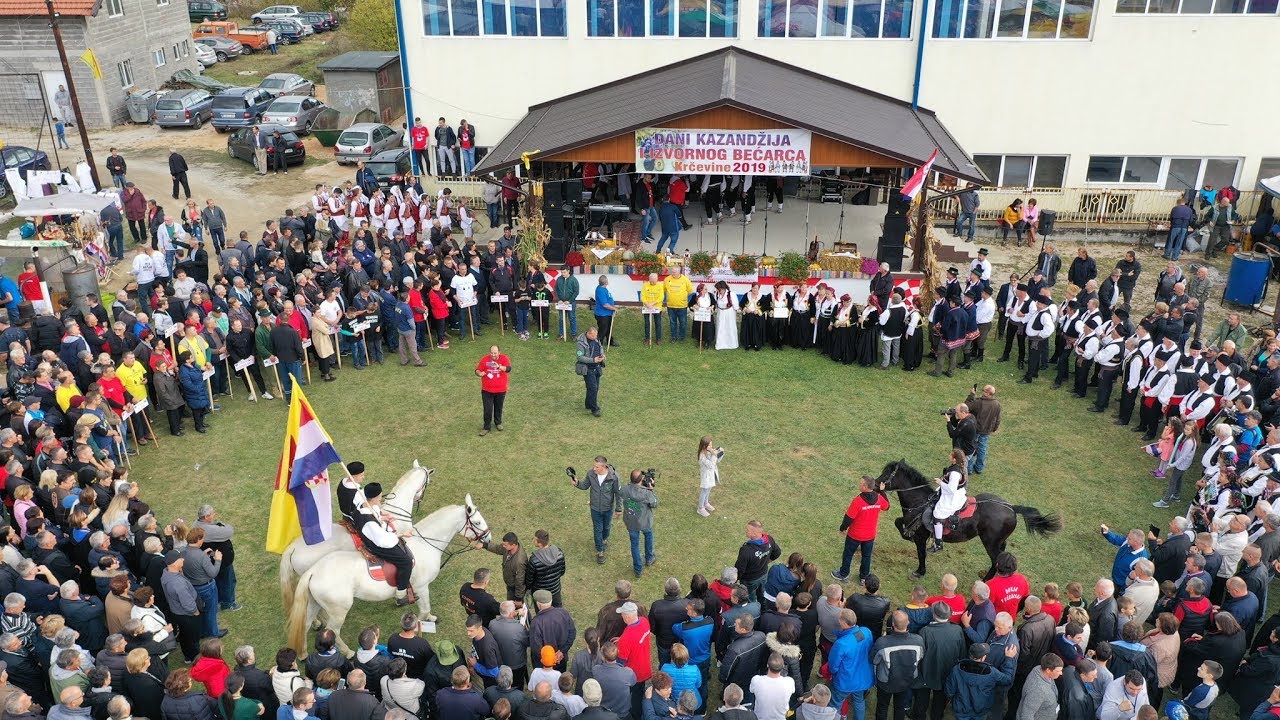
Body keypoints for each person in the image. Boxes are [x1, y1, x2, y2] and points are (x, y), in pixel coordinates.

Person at [833, 476, 889, 583]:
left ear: (864, 487)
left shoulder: (858, 501)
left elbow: (849, 518)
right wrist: (882, 492)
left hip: (855, 535)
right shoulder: (879, 498)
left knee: (848, 554)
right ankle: (864, 577)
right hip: (870, 536)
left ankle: (844, 574)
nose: (859, 485)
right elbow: (887, 506)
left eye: (861, 483)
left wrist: (843, 528)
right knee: (866, 557)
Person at [571, 457, 622, 564]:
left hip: (608, 508)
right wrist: (577, 483)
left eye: (596, 467)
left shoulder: (613, 477)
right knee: (598, 529)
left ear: (604, 467)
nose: (594, 468)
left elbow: (618, 493)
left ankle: (604, 540)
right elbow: (585, 485)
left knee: (606, 527)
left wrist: (618, 509)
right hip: (595, 509)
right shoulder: (591, 474)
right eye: (594, 466)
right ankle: (600, 551)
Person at [619, 471, 658, 579]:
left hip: (631, 522)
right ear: (641, 480)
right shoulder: (646, 493)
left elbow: (620, 493)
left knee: (634, 545)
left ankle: (638, 570)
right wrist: (650, 489)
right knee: (648, 536)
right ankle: (649, 558)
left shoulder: (625, 489)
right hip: (645, 522)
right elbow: (654, 503)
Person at [929, 450, 968, 554]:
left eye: (950, 455)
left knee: (937, 514)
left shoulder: (955, 473)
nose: (949, 456)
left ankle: (938, 543)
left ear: (954, 459)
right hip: (949, 492)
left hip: (952, 497)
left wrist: (940, 482)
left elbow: (951, 489)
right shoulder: (955, 468)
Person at [475, 346, 510, 436]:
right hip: (487, 390)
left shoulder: (504, 359)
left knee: (499, 407)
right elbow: (477, 370)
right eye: (492, 353)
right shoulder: (485, 359)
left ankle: (498, 423)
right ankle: (486, 427)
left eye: (495, 353)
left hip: (501, 390)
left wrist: (499, 366)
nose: (493, 355)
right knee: (488, 409)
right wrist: (479, 373)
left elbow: (508, 369)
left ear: (499, 352)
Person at [526, 533, 567, 609]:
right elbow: (562, 571)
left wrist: (529, 588)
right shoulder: (559, 553)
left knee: (542, 616)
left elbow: (529, 580)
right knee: (558, 612)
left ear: (540, 544)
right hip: (555, 590)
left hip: (540, 594)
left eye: (534, 539)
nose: (533, 540)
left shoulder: (534, 560)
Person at [697, 437, 724, 517]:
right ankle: (700, 508)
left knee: (709, 489)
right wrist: (714, 455)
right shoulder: (702, 456)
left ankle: (706, 503)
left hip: (711, 475)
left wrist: (721, 453)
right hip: (706, 477)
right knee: (704, 491)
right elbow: (711, 465)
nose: (711, 447)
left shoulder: (709, 451)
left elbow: (716, 461)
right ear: (704, 446)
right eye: (709, 445)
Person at [592, 278, 618, 348]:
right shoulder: (600, 290)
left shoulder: (602, 288)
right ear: (606, 282)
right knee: (603, 330)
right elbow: (605, 305)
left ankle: (610, 341)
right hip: (602, 314)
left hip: (607, 313)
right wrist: (614, 308)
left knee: (608, 328)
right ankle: (598, 344)